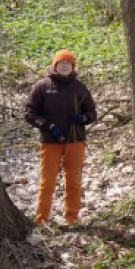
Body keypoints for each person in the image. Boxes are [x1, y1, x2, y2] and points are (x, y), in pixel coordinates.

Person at [24, 49, 98, 227]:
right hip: (50, 141)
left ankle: (71, 218)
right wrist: (48, 126)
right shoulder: (42, 86)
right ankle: (41, 220)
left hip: (76, 140)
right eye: (61, 63)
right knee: (47, 182)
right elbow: (30, 113)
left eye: (68, 63)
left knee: (73, 180)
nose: (65, 66)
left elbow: (92, 112)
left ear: (72, 67)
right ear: (55, 66)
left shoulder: (80, 88)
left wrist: (82, 118)